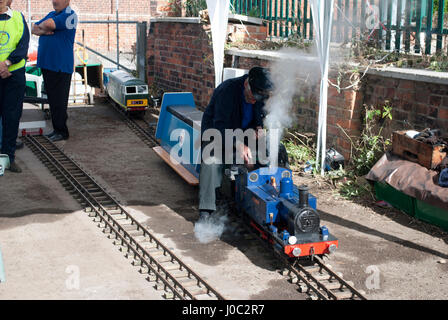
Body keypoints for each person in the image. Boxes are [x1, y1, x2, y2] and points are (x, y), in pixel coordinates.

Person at [198, 66, 273, 221]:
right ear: (246, 84)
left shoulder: (259, 94)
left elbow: (258, 116)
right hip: (217, 135)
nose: (255, 100)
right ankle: (206, 210)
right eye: (253, 96)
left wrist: (258, 128)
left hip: (244, 135)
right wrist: (238, 145)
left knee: (271, 152)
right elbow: (219, 127)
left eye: (259, 98)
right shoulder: (227, 91)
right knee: (211, 161)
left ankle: (263, 195)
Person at [32, 0, 77, 142]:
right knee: (53, 99)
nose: (54, 1)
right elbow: (34, 29)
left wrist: (44, 28)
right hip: (48, 64)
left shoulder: (70, 15)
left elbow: (48, 24)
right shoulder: (52, 14)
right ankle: (56, 129)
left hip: (60, 65)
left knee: (59, 100)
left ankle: (62, 132)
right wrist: (44, 29)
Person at [0, 0, 30, 173]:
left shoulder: (18, 18)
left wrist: (7, 63)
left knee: (11, 117)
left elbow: (23, 45)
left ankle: (8, 158)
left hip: (13, 75)